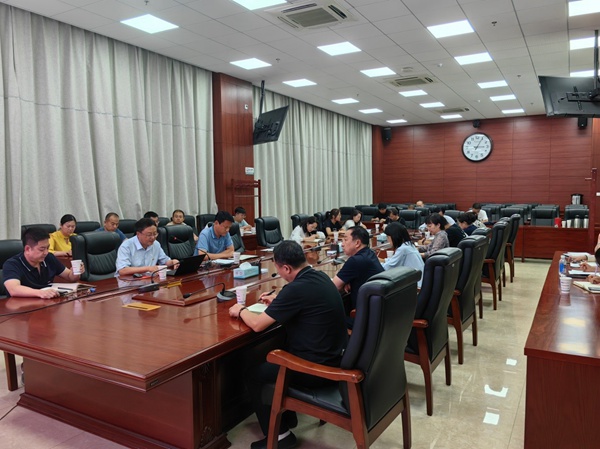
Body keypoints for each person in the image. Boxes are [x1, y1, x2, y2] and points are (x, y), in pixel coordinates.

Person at [228, 241, 347, 449]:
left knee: (254, 374)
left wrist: (241, 310)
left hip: (316, 369)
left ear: (286, 268)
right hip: (335, 357)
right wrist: (279, 302)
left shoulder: (296, 289)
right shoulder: (318, 276)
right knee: (274, 355)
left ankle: (280, 437)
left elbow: (257, 325)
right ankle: (287, 419)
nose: (279, 273)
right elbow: (303, 302)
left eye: (278, 268)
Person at [3, 227, 85, 298]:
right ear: (28, 249)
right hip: (22, 307)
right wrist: (40, 293)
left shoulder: (49, 258)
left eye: (47, 248)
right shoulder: (12, 264)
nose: (46, 252)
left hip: (46, 304)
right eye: (41, 249)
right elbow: (13, 289)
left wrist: (76, 272)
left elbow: (70, 276)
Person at [332, 226, 384, 327]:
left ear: (357, 243)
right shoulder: (370, 253)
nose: (342, 244)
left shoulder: (355, 260)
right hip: (375, 314)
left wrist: (344, 281)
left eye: (346, 240)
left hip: (363, 319)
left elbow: (333, 287)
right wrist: (348, 280)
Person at [381, 222, 424, 287]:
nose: (387, 240)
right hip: (419, 281)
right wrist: (383, 260)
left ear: (394, 237)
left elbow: (387, 268)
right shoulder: (409, 245)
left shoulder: (403, 249)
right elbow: (394, 260)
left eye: (388, 237)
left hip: (416, 286)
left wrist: (375, 263)